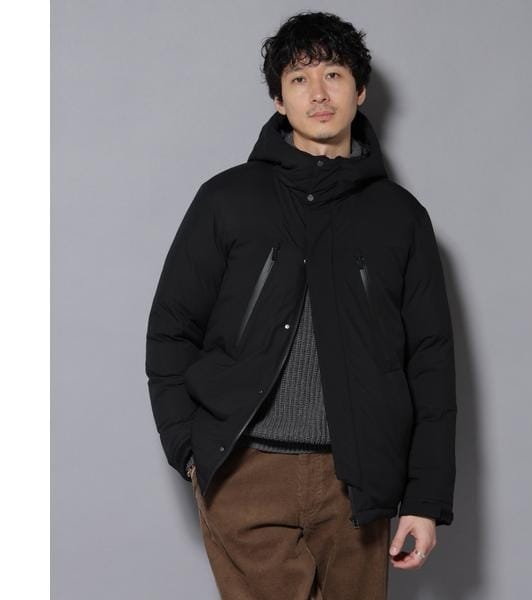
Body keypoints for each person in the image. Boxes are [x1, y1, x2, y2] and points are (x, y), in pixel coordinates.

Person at [145, 10, 457, 600]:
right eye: (298, 79)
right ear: (278, 99)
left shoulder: (401, 218)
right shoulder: (226, 199)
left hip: (359, 484)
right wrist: (190, 451)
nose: (318, 93)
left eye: (333, 75)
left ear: (359, 91)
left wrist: (425, 499)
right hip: (246, 475)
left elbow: (431, 364)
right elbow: (171, 331)